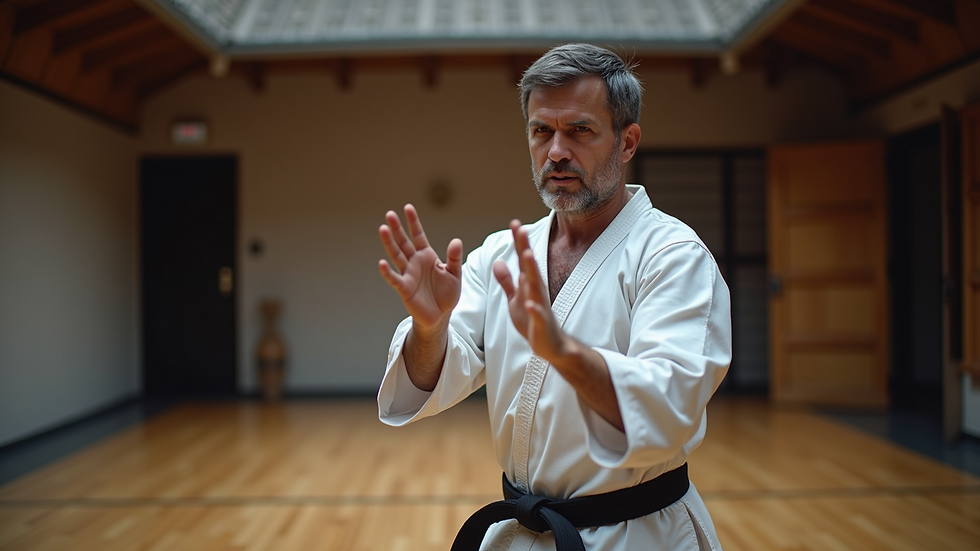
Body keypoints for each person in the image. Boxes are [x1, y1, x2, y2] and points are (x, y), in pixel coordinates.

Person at [376, 43, 731, 551]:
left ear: (627, 142)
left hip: (638, 533)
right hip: (523, 533)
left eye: (580, 130)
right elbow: (433, 376)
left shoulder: (673, 257)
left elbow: (667, 405)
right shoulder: (502, 254)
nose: (557, 151)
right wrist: (430, 329)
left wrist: (562, 352)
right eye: (541, 131)